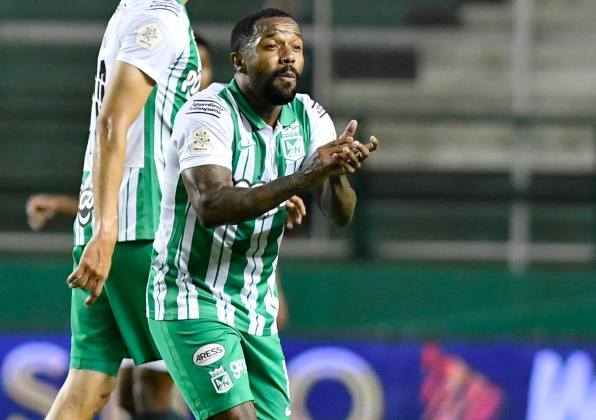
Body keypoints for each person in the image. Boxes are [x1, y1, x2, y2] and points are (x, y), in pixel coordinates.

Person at [146, 7, 378, 420]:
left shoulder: (310, 116)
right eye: (273, 46)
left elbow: (339, 214)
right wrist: (299, 179)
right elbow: (211, 206)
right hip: (192, 297)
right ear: (239, 60)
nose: (288, 56)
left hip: (257, 309)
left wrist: (337, 174)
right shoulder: (208, 113)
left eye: (297, 47)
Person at [44, 0, 201, 418]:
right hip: (142, 225)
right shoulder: (160, 17)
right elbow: (112, 122)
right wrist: (107, 232)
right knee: (217, 366)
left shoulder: (129, 12)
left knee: (90, 383)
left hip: (105, 220)